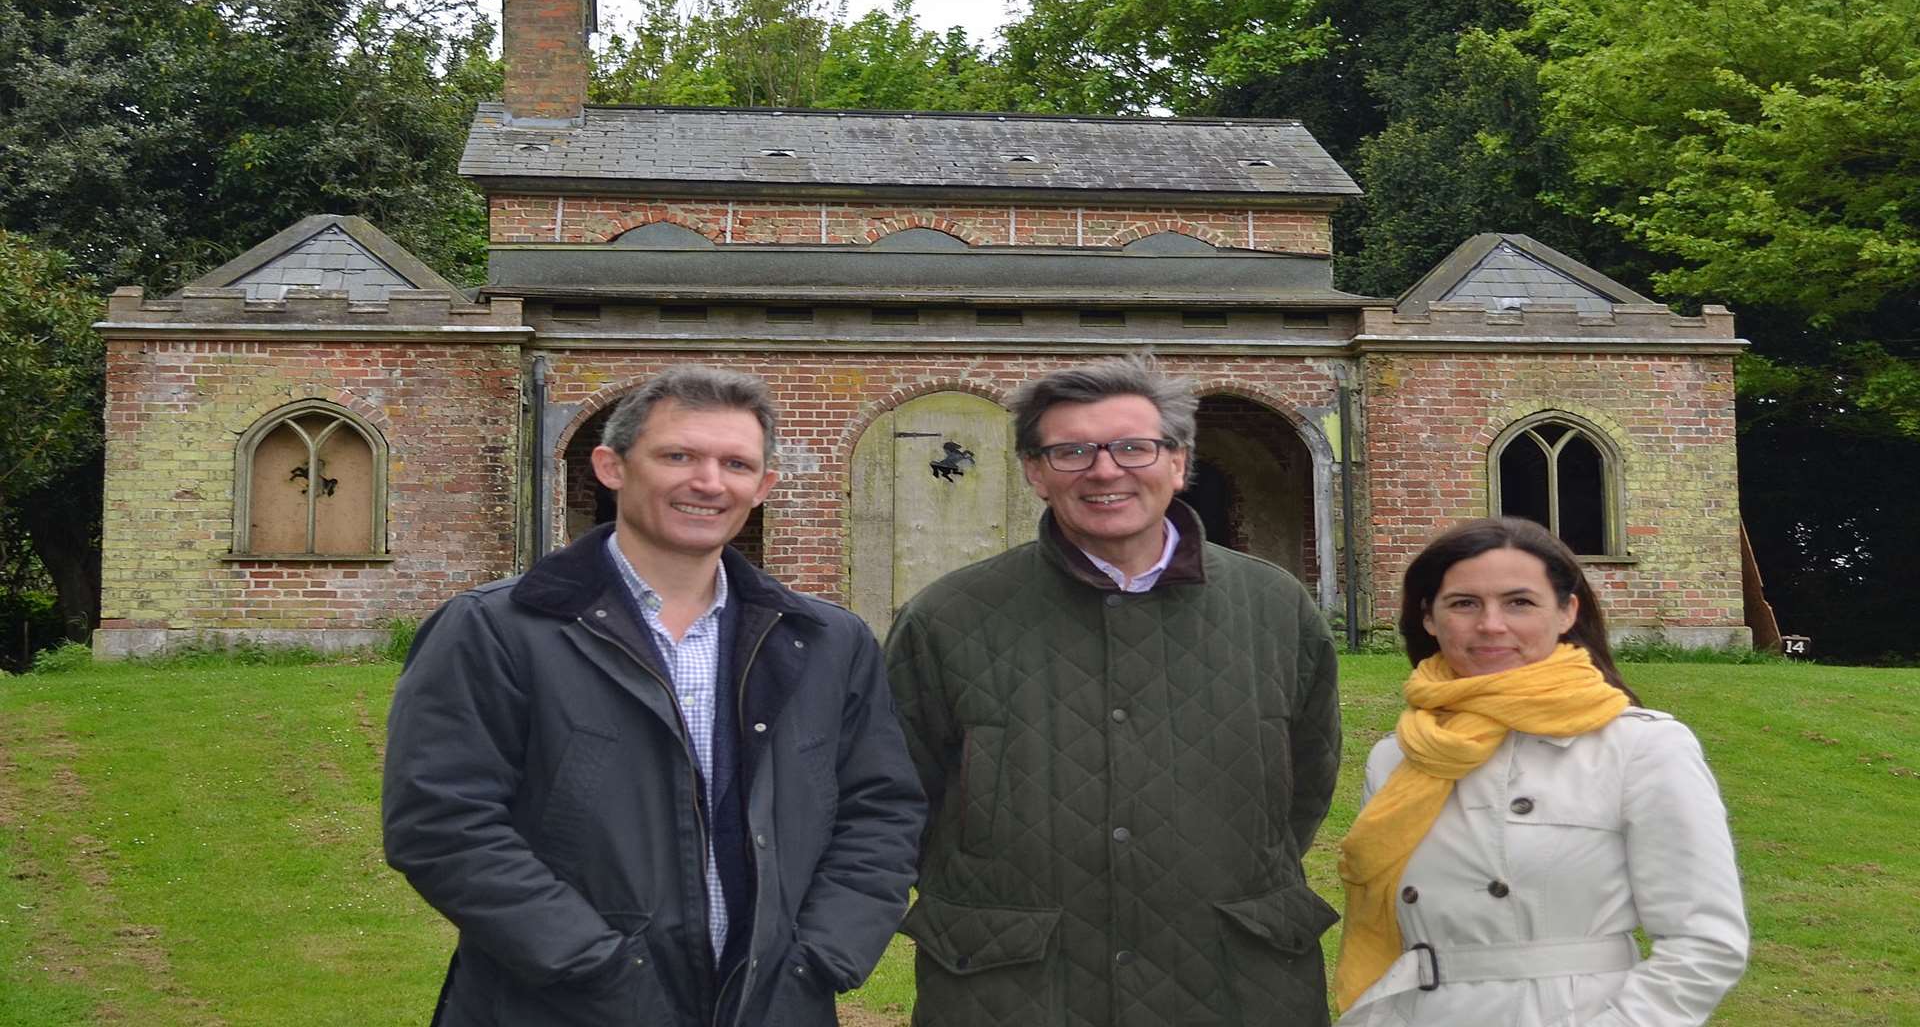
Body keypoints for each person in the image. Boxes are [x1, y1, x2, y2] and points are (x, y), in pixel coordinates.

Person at [382, 366, 924, 1027]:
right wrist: (596, 967)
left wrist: (821, 955)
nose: (708, 482)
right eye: (678, 456)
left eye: (735, 463)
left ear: (764, 486)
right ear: (612, 467)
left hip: (774, 1003)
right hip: (563, 1006)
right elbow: (442, 823)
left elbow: (882, 809)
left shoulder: (826, 642)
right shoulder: (499, 629)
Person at [886, 356, 1343, 1027]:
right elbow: (902, 795)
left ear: (1179, 463)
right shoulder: (947, 617)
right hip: (1012, 991)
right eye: (1071, 451)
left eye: (1134, 447)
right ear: (1035, 472)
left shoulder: (1275, 606)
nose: (1105, 471)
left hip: (1236, 983)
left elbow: (1305, 784)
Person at [1334, 516, 1749, 1026]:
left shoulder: (1641, 747)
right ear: (1428, 617)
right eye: (1464, 604)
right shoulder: (1397, 756)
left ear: (1566, 612)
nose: (1491, 625)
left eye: (1519, 602)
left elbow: (1704, 943)